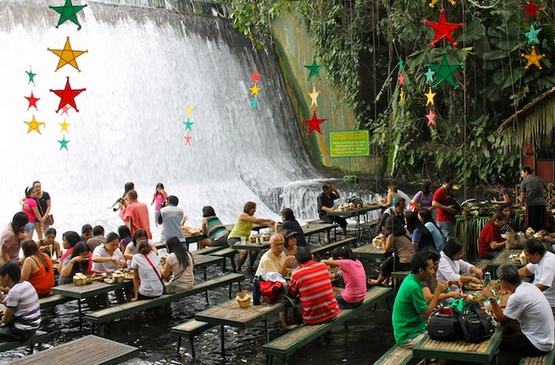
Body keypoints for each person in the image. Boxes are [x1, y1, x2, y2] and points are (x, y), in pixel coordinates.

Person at [483, 264, 554, 363]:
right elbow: (516, 305)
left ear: (503, 282)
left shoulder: (517, 296)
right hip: (545, 337)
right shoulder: (528, 286)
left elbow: (503, 320)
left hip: (538, 344)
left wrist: (492, 299)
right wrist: (501, 306)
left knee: (495, 342)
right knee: (509, 329)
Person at [392, 251, 448, 356]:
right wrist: (436, 293)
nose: (433, 272)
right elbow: (425, 314)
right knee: (443, 349)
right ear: (421, 271)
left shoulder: (412, 279)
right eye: (431, 268)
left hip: (417, 328)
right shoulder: (413, 286)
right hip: (408, 336)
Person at [288, 246, 340, 325]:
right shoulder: (323, 266)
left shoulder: (296, 274)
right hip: (332, 312)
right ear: (312, 257)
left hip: (312, 318)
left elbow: (292, 294)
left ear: (297, 262)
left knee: (298, 315)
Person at [255, 233, 297, 329]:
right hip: (264, 285)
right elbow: (277, 278)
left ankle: (296, 317)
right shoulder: (267, 259)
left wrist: (294, 271)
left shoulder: (281, 253)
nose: (280, 247)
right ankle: (285, 324)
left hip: (276, 279)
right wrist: (285, 264)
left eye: (281, 244)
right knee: (283, 292)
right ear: (270, 245)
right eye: (277, 244)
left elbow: (283, 270)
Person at [228, 201, 275, 273]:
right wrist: (268, 219)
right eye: (254, 208)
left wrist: (272, 223)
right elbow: (255, 220)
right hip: (234, 238)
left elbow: (261, 223)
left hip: (245, 239)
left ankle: (249, 268)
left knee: (254, 250)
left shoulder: (250, 218)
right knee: (244, 252)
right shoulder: (242, 215)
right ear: (249, 208)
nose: (255, 210)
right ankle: (238, 269)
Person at [368, 216, 415, 286]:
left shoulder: (392, 236)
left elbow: (386, 249)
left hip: (405, 263)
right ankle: (386, 281)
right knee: (391, 261)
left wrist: (383, 238)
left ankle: (378, 281)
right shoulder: (405, 231)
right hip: (413, 260)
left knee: (386, 265)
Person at [0, 262, 41, 341]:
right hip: (33, 325)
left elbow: (6, 320)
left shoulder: (14, 291)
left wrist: (2, 318)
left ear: (6, 276)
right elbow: (11, 303)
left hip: (23, 330)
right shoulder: (26, 284)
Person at [518, 239, 555, 311]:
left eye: (527, 255)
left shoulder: (548, 263)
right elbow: (525, 271)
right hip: (538, 296)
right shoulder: (539, 259)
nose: (526, 258)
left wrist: (524, 291)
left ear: (536, 254)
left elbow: (543, 286)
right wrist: (510, 277)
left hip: (547, 302)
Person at [519, 167, 548, 231]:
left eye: (522, 173)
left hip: (531, 205)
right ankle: (542, 238)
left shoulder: (524, 182)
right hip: (541, 204)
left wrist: (520, 199)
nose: (521, 175)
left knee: (532, 226)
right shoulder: (540, 179)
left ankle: (532, 239)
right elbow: (547, 190)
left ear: (526, 172)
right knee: (541, 225)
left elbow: (522, 198)